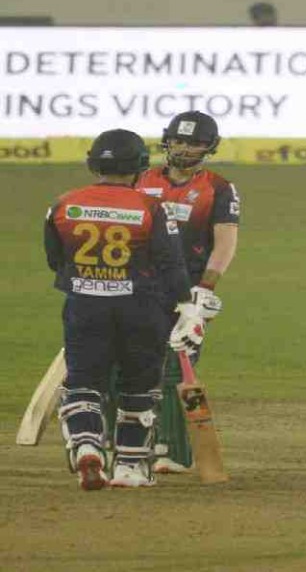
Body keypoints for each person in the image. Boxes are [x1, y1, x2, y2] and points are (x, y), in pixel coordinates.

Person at [45, 129, 204, 490]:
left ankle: (87, 445)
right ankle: (130, 467)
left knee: (83, 381)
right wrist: (186, 309)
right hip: (141, 309)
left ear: (93, 163)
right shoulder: (152, 208)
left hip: (84, 307)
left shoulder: (62, 204)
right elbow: (171, 264)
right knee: (139, 385)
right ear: (140, 166)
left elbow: (56, 260)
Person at [133, 111, 240, 474]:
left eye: (194, 143)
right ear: (167, 139)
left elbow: (225, 243)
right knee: (132, 365)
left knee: (177, 368)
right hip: (140, 287)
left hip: (186, 291)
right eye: (179, 140)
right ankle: (134, 442)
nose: (184, 148)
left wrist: (204, 290)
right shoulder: (140, 179)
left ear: (209, 147)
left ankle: (177, 451)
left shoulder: (219, 188)